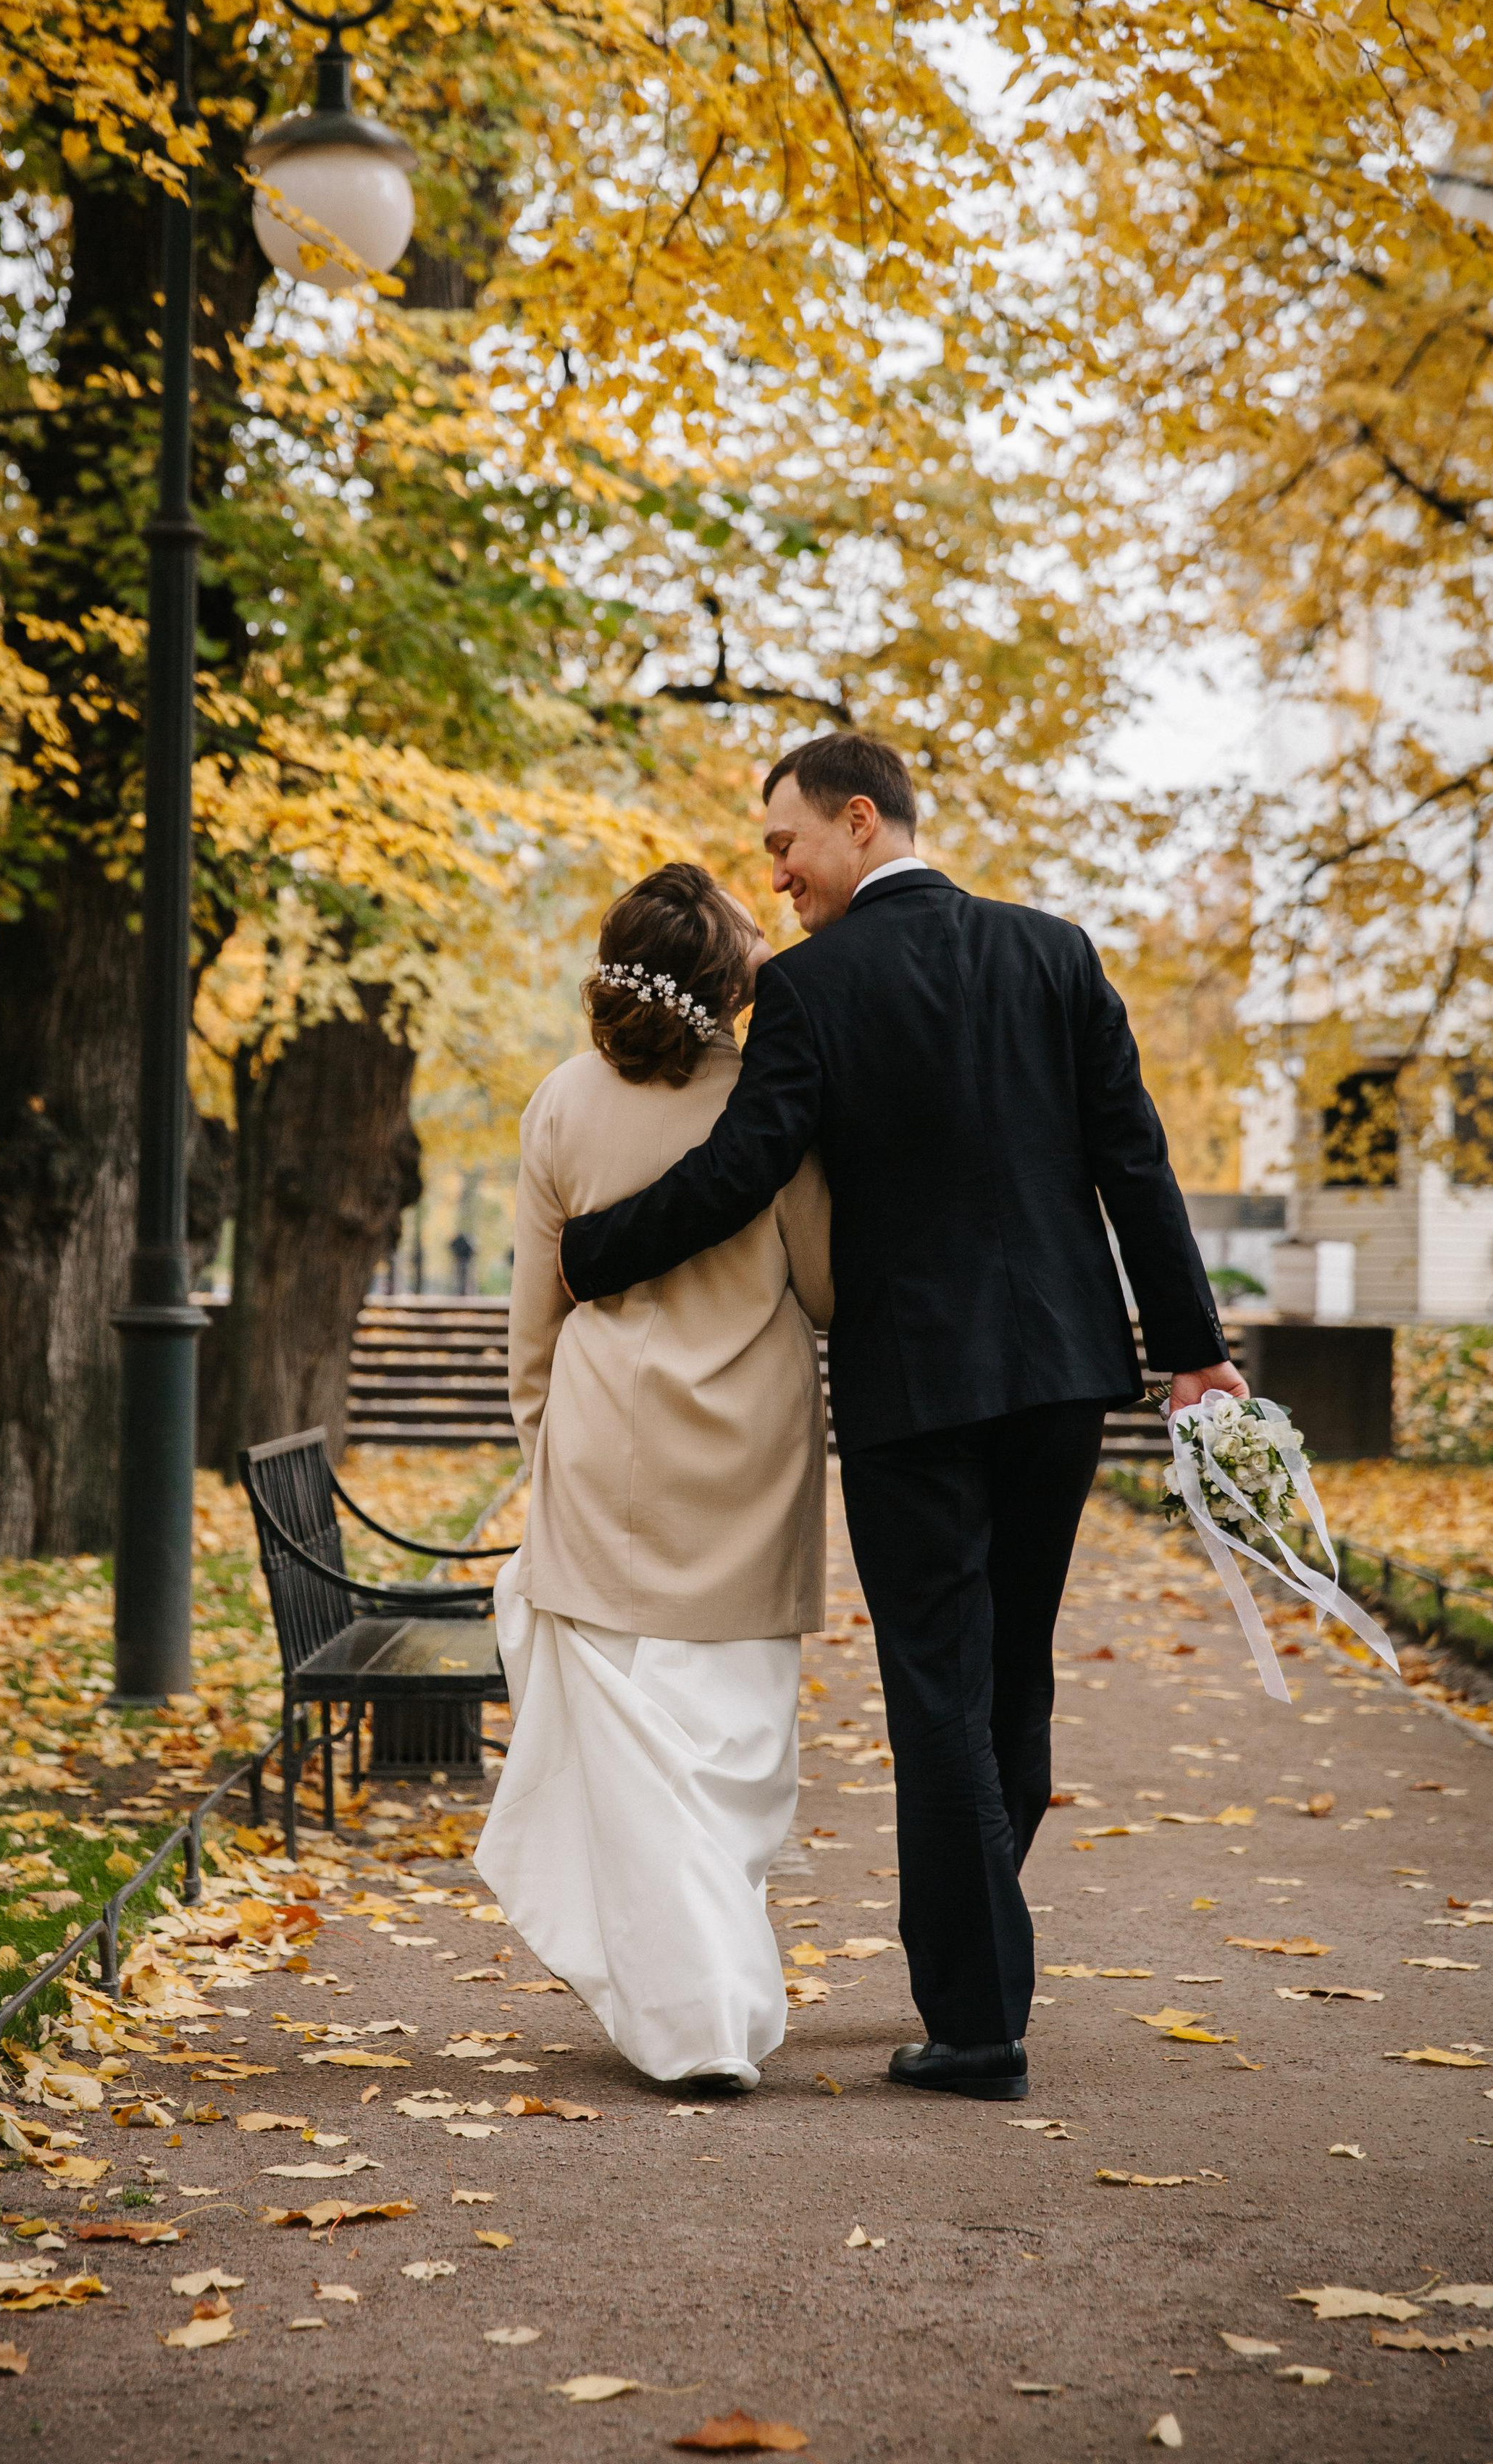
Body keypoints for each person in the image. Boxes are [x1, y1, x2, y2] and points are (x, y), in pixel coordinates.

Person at [556, 734, 1241, 2103]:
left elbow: (747, 1167)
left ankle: (979, 2024)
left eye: (785, 844)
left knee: (940, 1687)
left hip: (913, 1393)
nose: (779, 874)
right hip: (1059, 1378)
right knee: (1015, 1672)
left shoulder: (814, 988)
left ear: (858, 823)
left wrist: (593, 1254)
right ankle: (979, 1952)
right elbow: (1133, 1158)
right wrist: (1192, 1351)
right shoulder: (1057, 953)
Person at [474, 863, 833, 2090]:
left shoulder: (563, 1103)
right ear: (730, 981)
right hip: (747, 1455)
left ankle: (691, 2006)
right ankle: (703, 2014)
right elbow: (828, 1288)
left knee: (630, 1751)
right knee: (732, 1747)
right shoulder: (777, 1103)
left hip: (604, 1454)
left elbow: (535, 1320)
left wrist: (544, 1456)